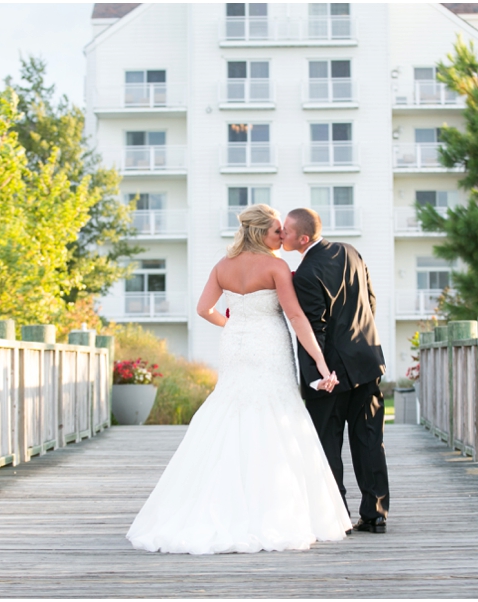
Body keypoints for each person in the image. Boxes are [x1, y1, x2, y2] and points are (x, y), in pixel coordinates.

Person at [126, 204, 352, 554]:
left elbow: (204, 309)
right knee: (274, 411)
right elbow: (295, 315)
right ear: (263, 233)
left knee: (230, 409)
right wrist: (321, 363)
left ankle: (215, 503)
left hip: (235, 344)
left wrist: (231, 324)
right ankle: (273, 507)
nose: (282, 236)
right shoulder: (277, 267)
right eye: (277, 230)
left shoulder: (222, 267)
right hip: (269, 345)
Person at [280, 207, 391, 534]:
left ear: (302, 238)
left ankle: (335, 514)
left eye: (285, 230)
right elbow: (370, 302)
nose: (280, 234)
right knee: (370, 439)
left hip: (332, 374)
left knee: (327, 443)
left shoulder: (306, 273)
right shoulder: (351, 251)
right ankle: (376, 514)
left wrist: (317, 376)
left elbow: (314, 330)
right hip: (367, 361)